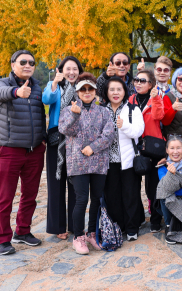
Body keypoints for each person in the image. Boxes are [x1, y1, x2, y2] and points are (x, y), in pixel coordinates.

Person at [0, 50, 47, 256]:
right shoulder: (2, 83)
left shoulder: (37, 87)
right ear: (13, 64)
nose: (27, 65)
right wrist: (17, 92)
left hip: (34, 150)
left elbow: (40, 114)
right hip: (9, 149)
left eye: (31, 62)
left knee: (30, 195)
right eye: (23, 62)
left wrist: (42, 137)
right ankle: (3, 239)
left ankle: (22, 231)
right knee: (5, 197)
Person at [59, 73, 115, 255]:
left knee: (97, 198)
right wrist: (75, 116)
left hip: (99, 161)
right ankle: (78, 237)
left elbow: (109, 135)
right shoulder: (69, 110)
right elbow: (65, 130)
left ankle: (92, 233)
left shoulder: (104, 112)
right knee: (81, 199)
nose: (87, 91)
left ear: (95, 91)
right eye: (83, 89)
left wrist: (93, 147)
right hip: (78, 162)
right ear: (77, 91)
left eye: (90, 88)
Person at [42, 56, 83, 240]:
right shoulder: (54, 86)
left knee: (76, 183)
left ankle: (75, 224)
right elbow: (46, 99)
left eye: (75, 69)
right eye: (68, 69)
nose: (71, 72)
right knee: (56, 183)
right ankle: (58, 226)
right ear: (61, 70)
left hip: (77, 139)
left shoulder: (83, 88)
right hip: (56, 139)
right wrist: (53, 84)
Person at [102, 76, 146, 242]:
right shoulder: (101, 110)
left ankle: (132, 228)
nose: (115, 93)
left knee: (131, 195)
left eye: (119, 89)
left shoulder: (132, 109)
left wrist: (124, 126)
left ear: (124, 91)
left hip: (128, 160)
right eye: (112, 89)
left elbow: (138, 131)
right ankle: (118, 226)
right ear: (106, 92)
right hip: (108, 162)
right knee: (112, 196)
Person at [128, 70, 166, 233]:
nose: (138, 83)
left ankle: (156, 220)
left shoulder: (156, 98)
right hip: (134, 147)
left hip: (153, 148)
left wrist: (156, 98)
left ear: (151, 84)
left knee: (153, 187)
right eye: (136, 80)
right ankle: (137, 218)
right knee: (133, 186)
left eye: (142, 81)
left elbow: (159, 116)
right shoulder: (130, 99)